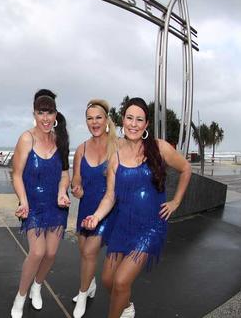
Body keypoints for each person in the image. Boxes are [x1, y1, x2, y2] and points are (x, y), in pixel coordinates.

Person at [81, 97, 191, 318]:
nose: (133, 124)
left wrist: (175, 201)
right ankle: (127, 306)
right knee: (108, 281)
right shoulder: (116, 156)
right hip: (122, 226)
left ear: (146, 124)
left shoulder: (159, 148)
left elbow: (186, 168)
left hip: (150, 228)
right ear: (123, 121)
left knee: (121, 281)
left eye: (139, 119)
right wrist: (96, 216)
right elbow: (110, 196)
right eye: (129, 118)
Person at [10, 89, 70, 318]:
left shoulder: (59, 138)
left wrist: (62, 191)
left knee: (52, 253)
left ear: (56, 114)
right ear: (34, 114)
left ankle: (37, 285)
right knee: (37, 252)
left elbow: (65, 172)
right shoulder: (27, 138)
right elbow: (16, 174)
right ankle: (21, 295)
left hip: (56, 204)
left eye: (50, 113)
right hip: (32, 203)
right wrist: (23, 201)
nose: (46, 118)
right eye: (40, 113)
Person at [70, 99, 118, 318]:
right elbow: (76, 181)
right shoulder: (81, 149)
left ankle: (81, 295)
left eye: (98, 117)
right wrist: (76, 189)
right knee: (84, 252)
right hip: (86, 208)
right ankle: (90, 285)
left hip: (108, 210)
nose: (94, 122)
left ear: (106, 119)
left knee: (90, 252)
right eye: (90, 118)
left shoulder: (118, 145)